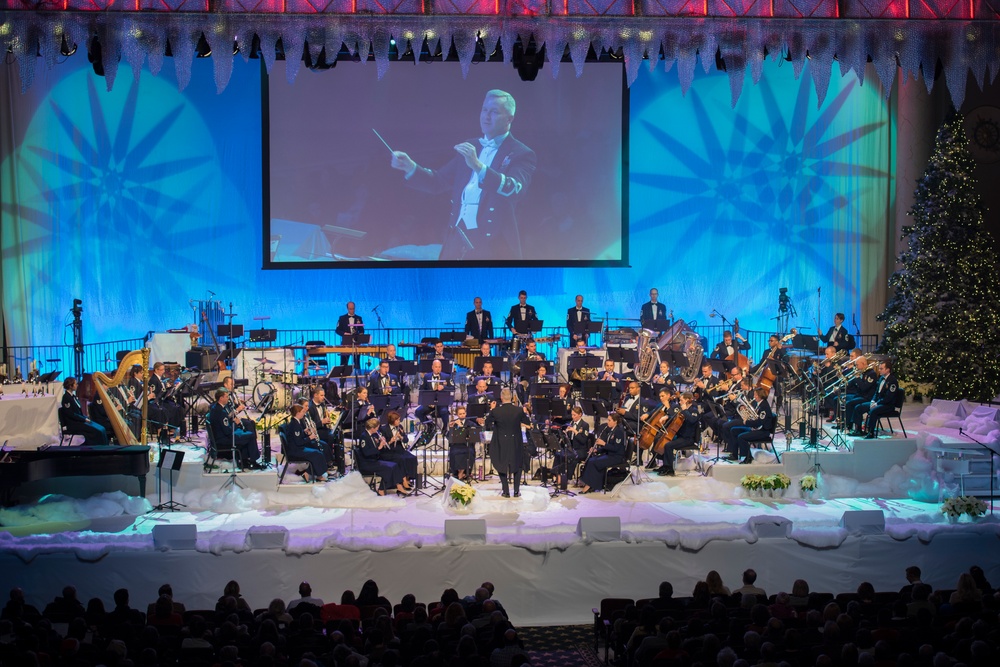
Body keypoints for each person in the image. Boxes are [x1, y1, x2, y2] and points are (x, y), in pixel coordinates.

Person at [391, 89, 537, 260]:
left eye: (494, 112)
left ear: (509, 118)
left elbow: (514, 189)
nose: (486, 116)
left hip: (492, 244)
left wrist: (478, 166)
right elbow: (438, 182)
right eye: (484, 110)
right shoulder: (471, 146)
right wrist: (411, 167)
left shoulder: (521, 153)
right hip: (456, 237)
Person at [484, 388, 531, 498]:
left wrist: (491, 409)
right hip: (515, 441)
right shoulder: (519, 410)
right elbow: (527, 422)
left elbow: (487, 423)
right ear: (511, 397)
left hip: (501, 441)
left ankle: (505, 491)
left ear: (501, 397)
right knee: (517, 463)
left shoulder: (496, 411)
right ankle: (516, 491)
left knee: (502, 463)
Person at [208, 389, 261, 469]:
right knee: (250, 435)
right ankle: (253, 461)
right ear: (221, 398)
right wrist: (236, 425)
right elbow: (227, 431)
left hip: (219, 436)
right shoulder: (221, 412)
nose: (228, 398)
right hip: (223, 439)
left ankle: (244, 460)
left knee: (245, 433)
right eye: (226, 397)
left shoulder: (215, 407)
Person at [849, 360, 903, 438]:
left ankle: (870, 432)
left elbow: (888, 397)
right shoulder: (881, 378)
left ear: (887, 369)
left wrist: (877, 403)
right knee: (858, 407)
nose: (879, 370)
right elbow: (876, 393)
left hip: (887, 405)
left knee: (873, 411)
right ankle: (858, 430)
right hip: (878, 402)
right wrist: (873, 401)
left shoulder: (893, 381)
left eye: (881, 369)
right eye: (879, 368)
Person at [355, 418, 408, 496]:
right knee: (389, 468)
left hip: (374, 460)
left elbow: (374, 447)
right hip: (368, 463)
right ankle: (382, 489)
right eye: (377, 427)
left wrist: (381, 442)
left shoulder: (372, 435)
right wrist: (379, 447)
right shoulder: (364, 437)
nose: (378, 429)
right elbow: (367, 453)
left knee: (394, 465)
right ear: (373, 428)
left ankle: (396, 487)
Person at [652, 391, 700, 476]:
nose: (679, 402)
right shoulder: (682, 409)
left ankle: (669, 469)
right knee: (660, 440)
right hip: (680, 436)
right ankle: (664, 465)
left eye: (681, 400)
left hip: (688, 439)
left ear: (687, 400)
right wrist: (666, 417)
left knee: (668, 445)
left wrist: (685, 410)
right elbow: (675, 417)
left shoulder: (694, 410)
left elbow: (692, 420)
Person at [579, 412, 627, 494]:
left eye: (609, 420)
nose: (607, 422)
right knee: (591, 460)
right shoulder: (611, 430)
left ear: (615, 421)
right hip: (610, 454)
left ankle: (590, 485)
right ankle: (593, 484)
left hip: (616, 457)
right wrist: (596, 450)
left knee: (593, 462)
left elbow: (616, 448)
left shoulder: (619, 432)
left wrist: (603, 443)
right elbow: (607, 447)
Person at [729, 387, 775, 464]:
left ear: (760, 395)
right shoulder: (760, 404)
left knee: (742, 437)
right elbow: (755, 417)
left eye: (755, 395)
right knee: (734, 430)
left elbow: (759, 422)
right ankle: (734, 455)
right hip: (758, 429)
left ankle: (748, 457)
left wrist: (747, 422)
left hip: (763, 432)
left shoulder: (764, 406)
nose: (754, 397)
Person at [283, 405, 328, 482]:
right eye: (302, 412)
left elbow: (296, 436)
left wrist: (304, 432)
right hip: (295, 451)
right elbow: (299, 442)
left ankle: (310, 473)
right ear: (297, 413)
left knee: (316, 452)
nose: (304, 414)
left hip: (296, 448)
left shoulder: (296, 422)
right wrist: (310, 437)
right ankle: (316, 475)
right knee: (317, 454)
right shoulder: (295, 425)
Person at [59, 377, 109, 446]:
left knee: (101, 428)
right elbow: (71, 414)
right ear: (70, 386)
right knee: (96, 431)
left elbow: (78, 412)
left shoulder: (73, 396)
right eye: (75, 384)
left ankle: (105, 447)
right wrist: (84, 419)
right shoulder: (66, 398)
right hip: (73, 423)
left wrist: (85, 418)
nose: (77, 385)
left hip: (79, 420)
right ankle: (96, 448)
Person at [552, 405, 590, 488]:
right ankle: (557, 475)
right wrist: (565, 434)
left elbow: (583, 440)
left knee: (570, 456)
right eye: (572, 415)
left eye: (574, 415)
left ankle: (568, 477)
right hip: (571, 448)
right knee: (558, 454)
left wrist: (575, 431)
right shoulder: (571, 423)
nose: (573, 417)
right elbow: (568, 439)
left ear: (580, 415)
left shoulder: (585, 425)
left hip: (581, 450)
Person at [379, 411, 417, 489]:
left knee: (412, 458)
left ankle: (408, 478)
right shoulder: (384, 429)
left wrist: (401, 437)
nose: (399, 421)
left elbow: (406, 440)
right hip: (390, 450)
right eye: (397, 420)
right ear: (392, 421)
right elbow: (383, 443)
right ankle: (403, 481)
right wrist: (391, 441)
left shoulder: (400, 427)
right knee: (401, 459)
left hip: (399, 448)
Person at [415, 360, 452, 425]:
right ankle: (430, 425)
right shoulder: (427, 376)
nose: (438, 369)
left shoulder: (446, 376)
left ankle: (445, 428)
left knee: (444, 411)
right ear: (432, 367)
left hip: (441, 403)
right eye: (436, 367)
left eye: (439, 367)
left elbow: (453, 388)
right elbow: (422, 389)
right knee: (418, 411)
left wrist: (444, 387)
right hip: (430, 403)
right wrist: (427, 400)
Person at [447, 406, 477, 480]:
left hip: (467, 445)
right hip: (457, 445)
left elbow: (474, 435)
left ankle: (464, 473)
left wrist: (461, 427)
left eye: (463, 413)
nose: (462, 415)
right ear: (457, 415)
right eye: (460, 414)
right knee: (454, 452)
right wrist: (451, 429)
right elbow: (449, 437)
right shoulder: (454, 423)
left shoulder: (471, 424)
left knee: (469, 452)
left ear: (466, 413)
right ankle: (458, 473)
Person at [335, 301, 365, 371]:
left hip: (356, 344)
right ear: (347, 309)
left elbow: (362, 330)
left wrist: (361, 335)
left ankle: (358, 380)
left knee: (357, 363)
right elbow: (337, 330)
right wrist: (344, 333)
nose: (352, 310)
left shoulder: (359, 318)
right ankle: (342, 380)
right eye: (350, 309)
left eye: (353, 308)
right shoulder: (342, 318)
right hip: (346, 343)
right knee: (343, 363)